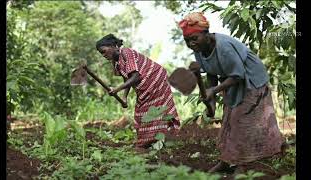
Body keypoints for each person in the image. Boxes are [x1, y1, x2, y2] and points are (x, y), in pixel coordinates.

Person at [178, 12, 284, 173]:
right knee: (229, 119)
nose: (191, 44)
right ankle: (226, 161)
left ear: (206, 34)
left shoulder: (224, 47)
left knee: (241, 121)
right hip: (233, 79)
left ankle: (243, 164)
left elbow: (238, 74)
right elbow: (211, 75)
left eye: (194, 38)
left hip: (251, 79)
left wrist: (213, 90)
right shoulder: (199, 50)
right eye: (187, 41)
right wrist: (211, 101)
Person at [95, 34, 180, 149]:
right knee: (141, 114)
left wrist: (116, 89)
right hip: (143, 89)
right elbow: (127, 78)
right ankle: (150, 143)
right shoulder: (116, 63)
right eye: (101, 53)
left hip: (156, 80)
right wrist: (124, 97)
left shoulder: (126, 52)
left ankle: (163, 140)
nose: (104, 55)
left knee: (158, 110)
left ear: (114, 46)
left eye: (104, 51)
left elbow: (136, 77)